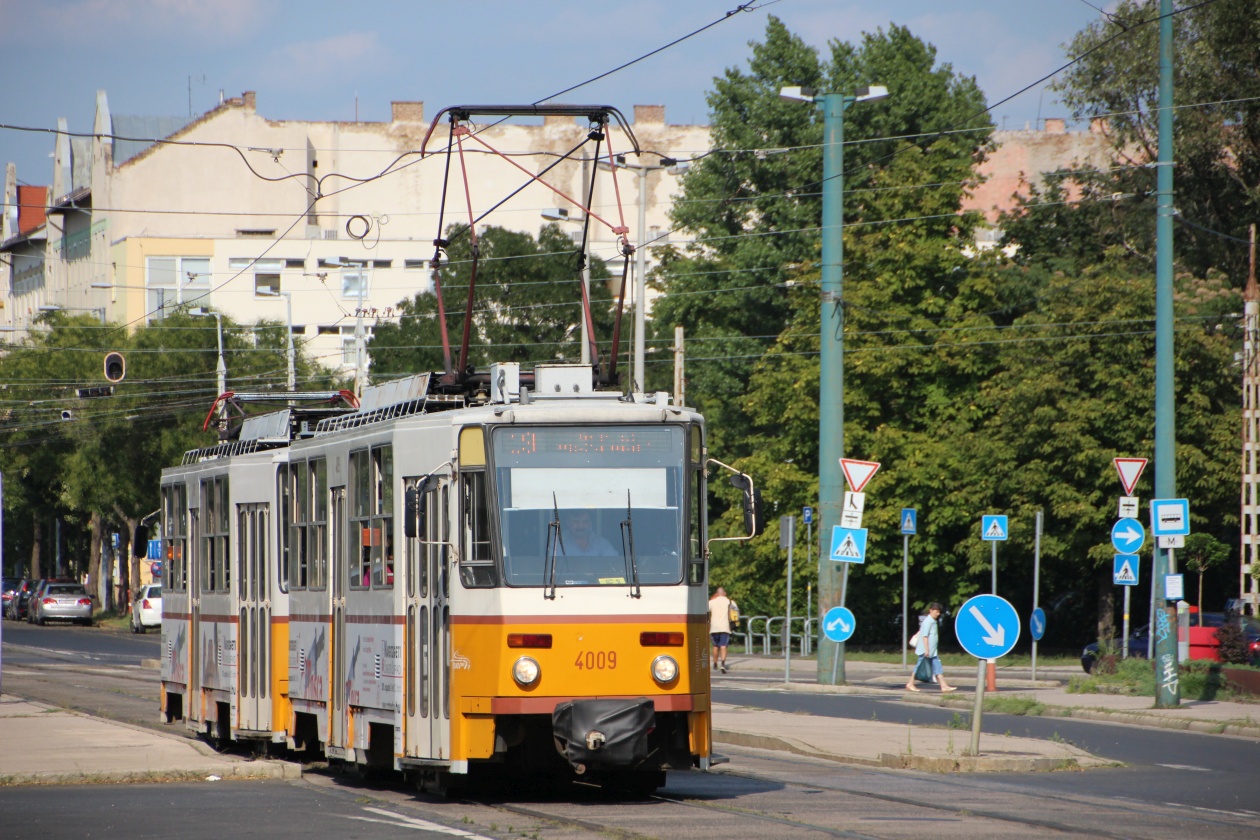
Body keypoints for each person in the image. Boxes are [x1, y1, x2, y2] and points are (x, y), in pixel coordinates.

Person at [906, 601, 957, 693]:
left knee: (937, 667)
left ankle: (944, 686)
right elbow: (924, 636)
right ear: (931, 610)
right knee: (918, 666)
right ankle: (910, 683)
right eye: (936, 611)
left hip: (932, 651)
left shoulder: (933, 621)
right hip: (926, 650)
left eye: (939, 612)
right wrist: (926, 650)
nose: (938, 614)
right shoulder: (928, 621)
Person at [709, 586, 733, 673]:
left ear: (717, 593)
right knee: (723, 646)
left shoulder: (711, 602)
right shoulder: (729, 602)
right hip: (725, 626)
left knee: (715, 646)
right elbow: (735, 613)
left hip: (714, 627)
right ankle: (722, 664)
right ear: (724, 593)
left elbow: (706, 611)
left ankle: (715, 664)